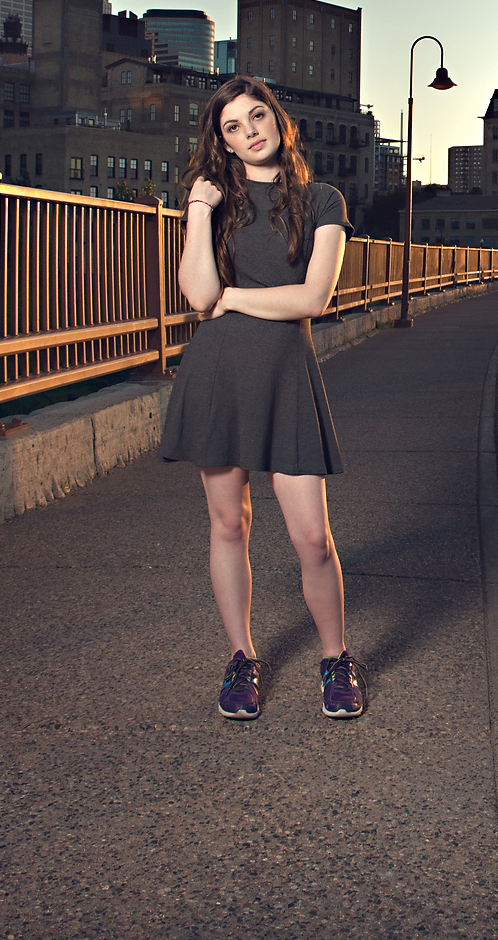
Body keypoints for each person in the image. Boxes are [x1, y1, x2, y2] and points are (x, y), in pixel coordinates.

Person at [160, 76, 363, 722]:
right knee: (228, 524)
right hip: (218, 372)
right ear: (221, 142)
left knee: (313, 538)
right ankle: (241, 659)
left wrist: (236, 299)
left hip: (286, 376)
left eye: (257, 116)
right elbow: (197, 297)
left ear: (277, 118)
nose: (250, 130)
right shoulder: (217, 204)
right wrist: (197, 207)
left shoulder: (322, 200)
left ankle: (335, 660)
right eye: (233, 126)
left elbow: (312, 299)